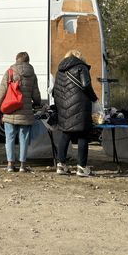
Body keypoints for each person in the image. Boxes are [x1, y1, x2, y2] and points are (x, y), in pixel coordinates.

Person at [52, 49, 98, 177]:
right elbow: (86, 85)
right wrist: (94, 98)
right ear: (79, 57)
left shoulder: (59, 71)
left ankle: (61, 165)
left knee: (65, 134)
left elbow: (55, 90)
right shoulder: (81, 67)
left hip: (63, 106)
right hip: (80, 106)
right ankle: (81, 168)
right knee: (82, 135)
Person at [0, 52, 41, 172]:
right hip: (25, 113)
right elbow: (36, 94)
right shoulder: (32, 74)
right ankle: (22, 165)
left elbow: (2, 91)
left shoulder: (10, 72)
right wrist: (37, 103)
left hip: (10, 111)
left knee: (9, 138)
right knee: (24, 139)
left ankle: (10, 164)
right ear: (28, 61)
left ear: (16, 60)